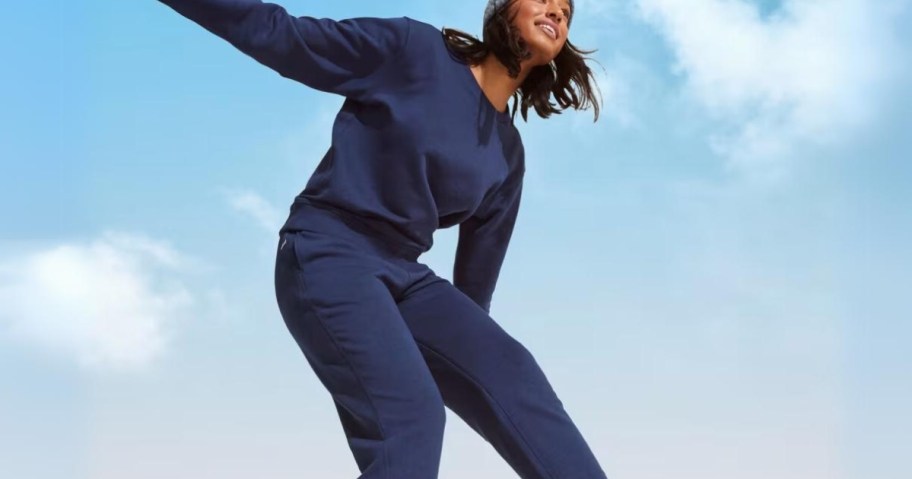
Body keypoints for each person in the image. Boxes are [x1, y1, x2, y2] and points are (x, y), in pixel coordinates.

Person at [157, 0, 605, 477]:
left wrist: (476, 360)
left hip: (404, 274)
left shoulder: (506, 155)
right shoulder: (414, 50)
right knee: (412, 415)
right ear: (502, 9)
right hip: (328, 248)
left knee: (511, 370)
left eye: (566, 11)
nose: (556, 11)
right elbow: (283, 36)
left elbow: (474, 292)